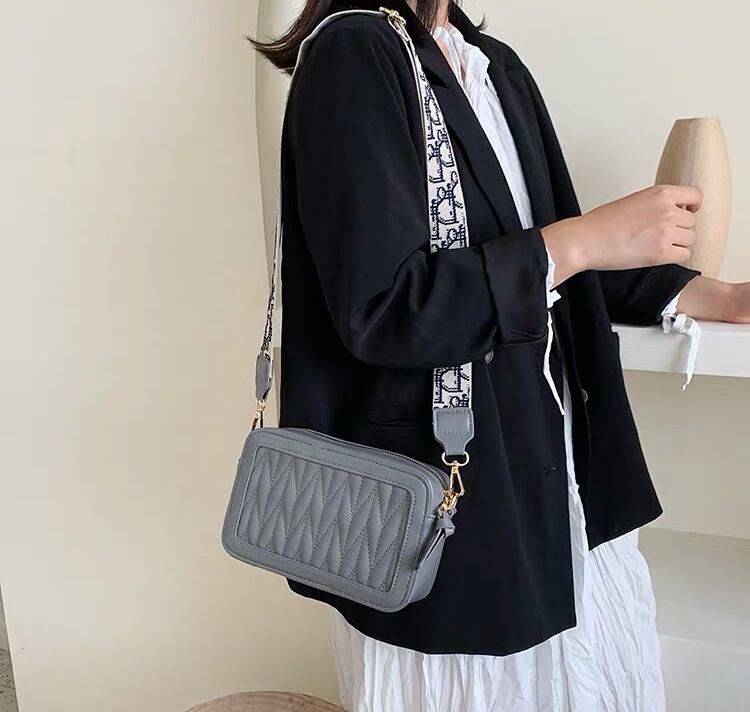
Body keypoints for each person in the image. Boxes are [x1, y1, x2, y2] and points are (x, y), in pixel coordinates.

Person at [254, 1, 750, 710]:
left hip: (549, 477)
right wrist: (585, 238)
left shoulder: (492, 66)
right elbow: (385, 307)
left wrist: (711, 295)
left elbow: (539, 251)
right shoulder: (355, 55)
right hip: (453, 520)